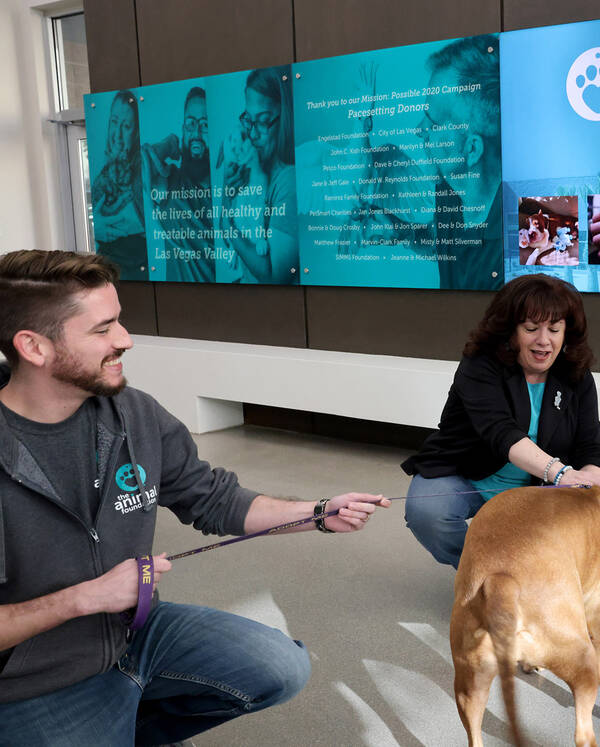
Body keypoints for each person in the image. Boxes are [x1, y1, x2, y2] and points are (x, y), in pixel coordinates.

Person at [0, 250, 389, 745]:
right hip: (34, 680)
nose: (125, 340)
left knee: (279, 666)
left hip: (135, 634)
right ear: (33, 347)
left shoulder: (133, 412)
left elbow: (214, 498)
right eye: (102, 330)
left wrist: (316, 514)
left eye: (118, 321)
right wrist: (85, 599)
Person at [401, 273, 600, 568]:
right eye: (530, 328)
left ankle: (529, 572)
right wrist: (562, 474)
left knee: (594, 514)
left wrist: (590, 478)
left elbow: (590, 444)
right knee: (428, 510)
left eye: (554, 329)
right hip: (470, 475)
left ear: (567, 333)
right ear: (509, 331)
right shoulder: (480, 365)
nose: (543, 340)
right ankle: (487, 571)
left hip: (536, 487)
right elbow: (501, 433)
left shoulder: (576, 375)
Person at [418, 34, 503, 290]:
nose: (419, 130)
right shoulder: (448, 194)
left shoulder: (513, 239)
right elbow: (450, 245)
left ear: (472, 149)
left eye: (432, 122)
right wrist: (397, 231)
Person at [218, 65, 299, 285]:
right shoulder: (247, 169)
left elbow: (273, 275)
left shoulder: (289, 180)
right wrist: (227, 192)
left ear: (285, 119)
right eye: (248, 120)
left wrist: (228, 226)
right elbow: (226, 238)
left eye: (263, 121)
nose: (253, 133)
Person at [143, 86, 216, 283]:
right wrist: (168, 144)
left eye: (205, 124)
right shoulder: (170, 181)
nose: (197, 133)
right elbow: (140, 164)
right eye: (190, 124)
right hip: (180, 301)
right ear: (183, 129)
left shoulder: (228, 188)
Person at [92, 90, 147, 282]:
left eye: (126, 126)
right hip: (105, 275)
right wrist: (97, 228)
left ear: (136, 132)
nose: (118, 134)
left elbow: (144, 221)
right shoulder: (101, 176)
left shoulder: (144, 173)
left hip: (136, 273)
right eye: (114, 122)